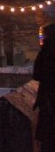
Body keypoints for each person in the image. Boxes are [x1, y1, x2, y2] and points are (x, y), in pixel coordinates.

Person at [33, 22, 55, 152]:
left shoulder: (47, 50)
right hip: (49, 99)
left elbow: (37, 74)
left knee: (49, 140)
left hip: (49, 100)